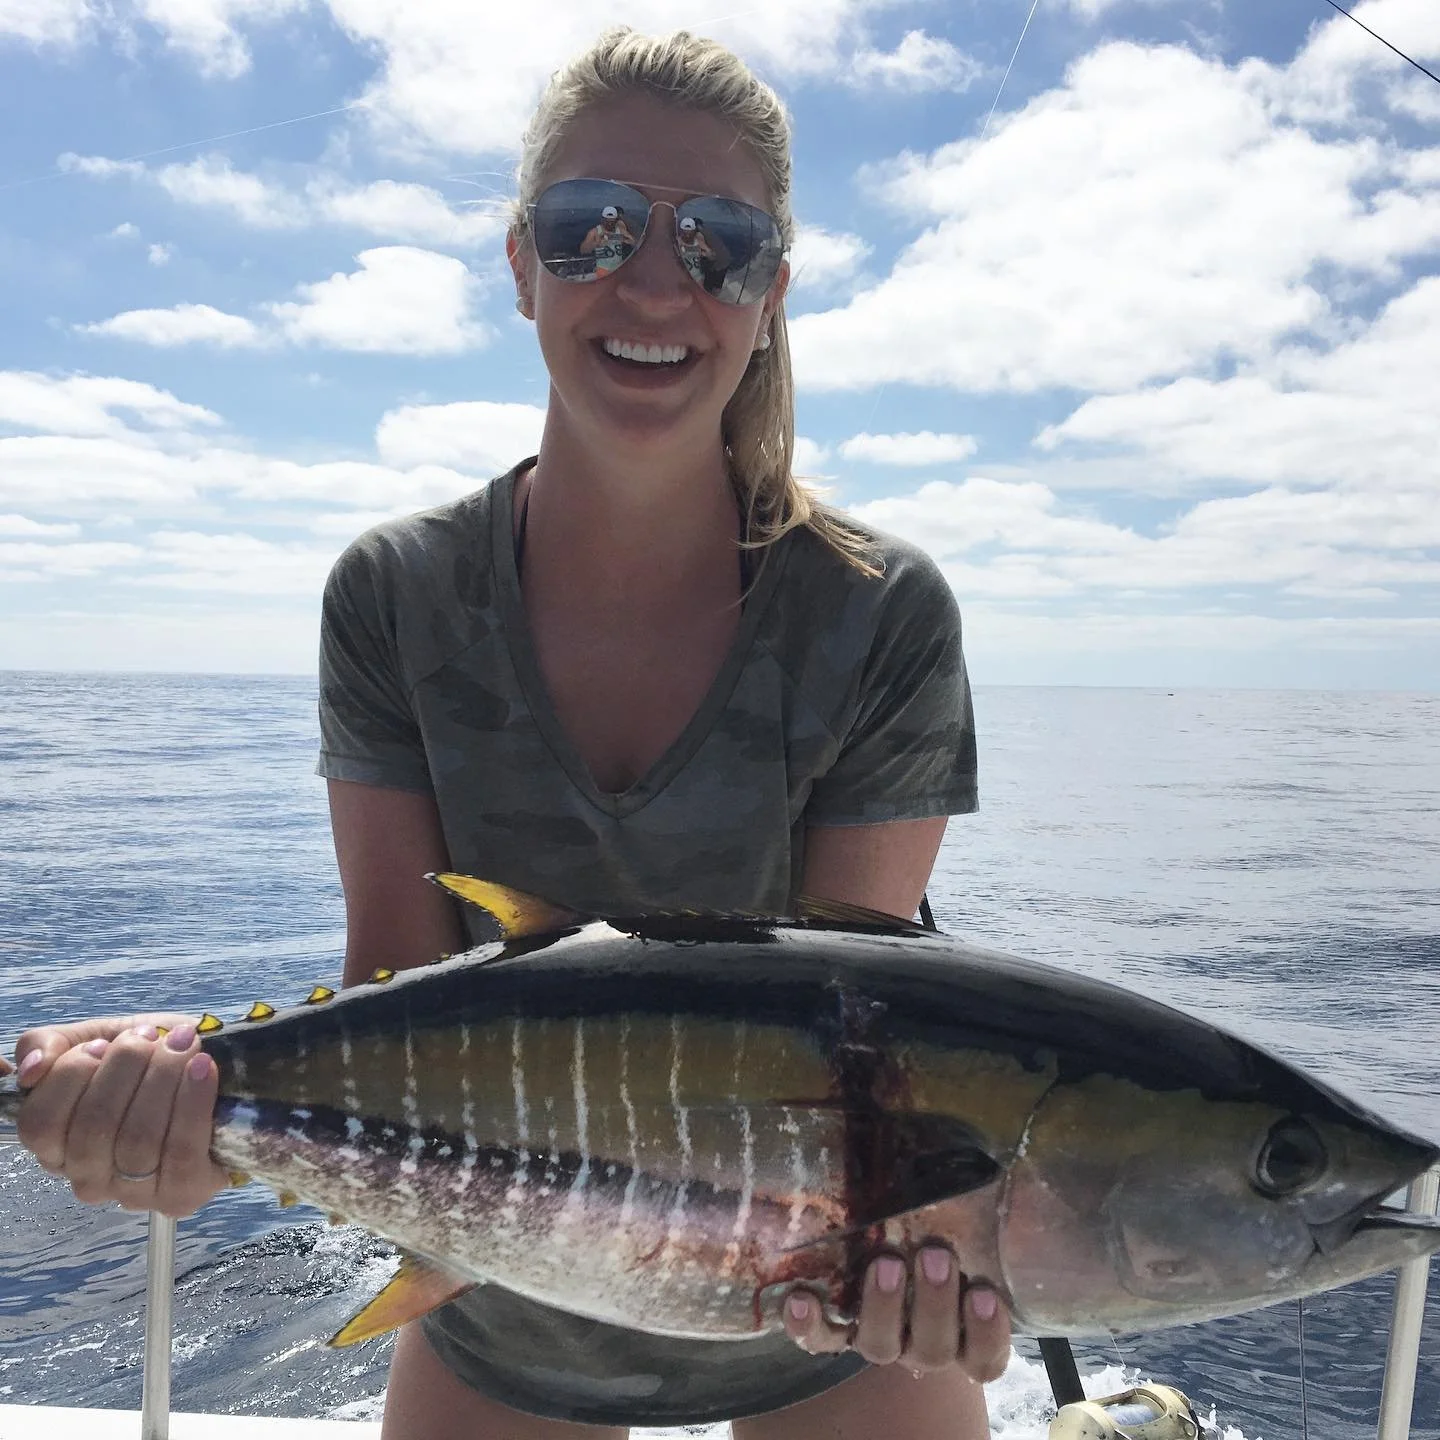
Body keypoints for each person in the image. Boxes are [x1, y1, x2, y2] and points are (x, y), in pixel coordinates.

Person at [9, 27, 1009, 1440]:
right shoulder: (395, 597)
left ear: (771, 291)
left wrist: (951, 1260)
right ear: (521, 262)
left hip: (840, 1339)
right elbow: (395, 996)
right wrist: (186, 1115)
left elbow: (854, 1062)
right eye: (591, 227)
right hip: (500, 1323)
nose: (656, 279)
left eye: (717, 239)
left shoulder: (877, 613)